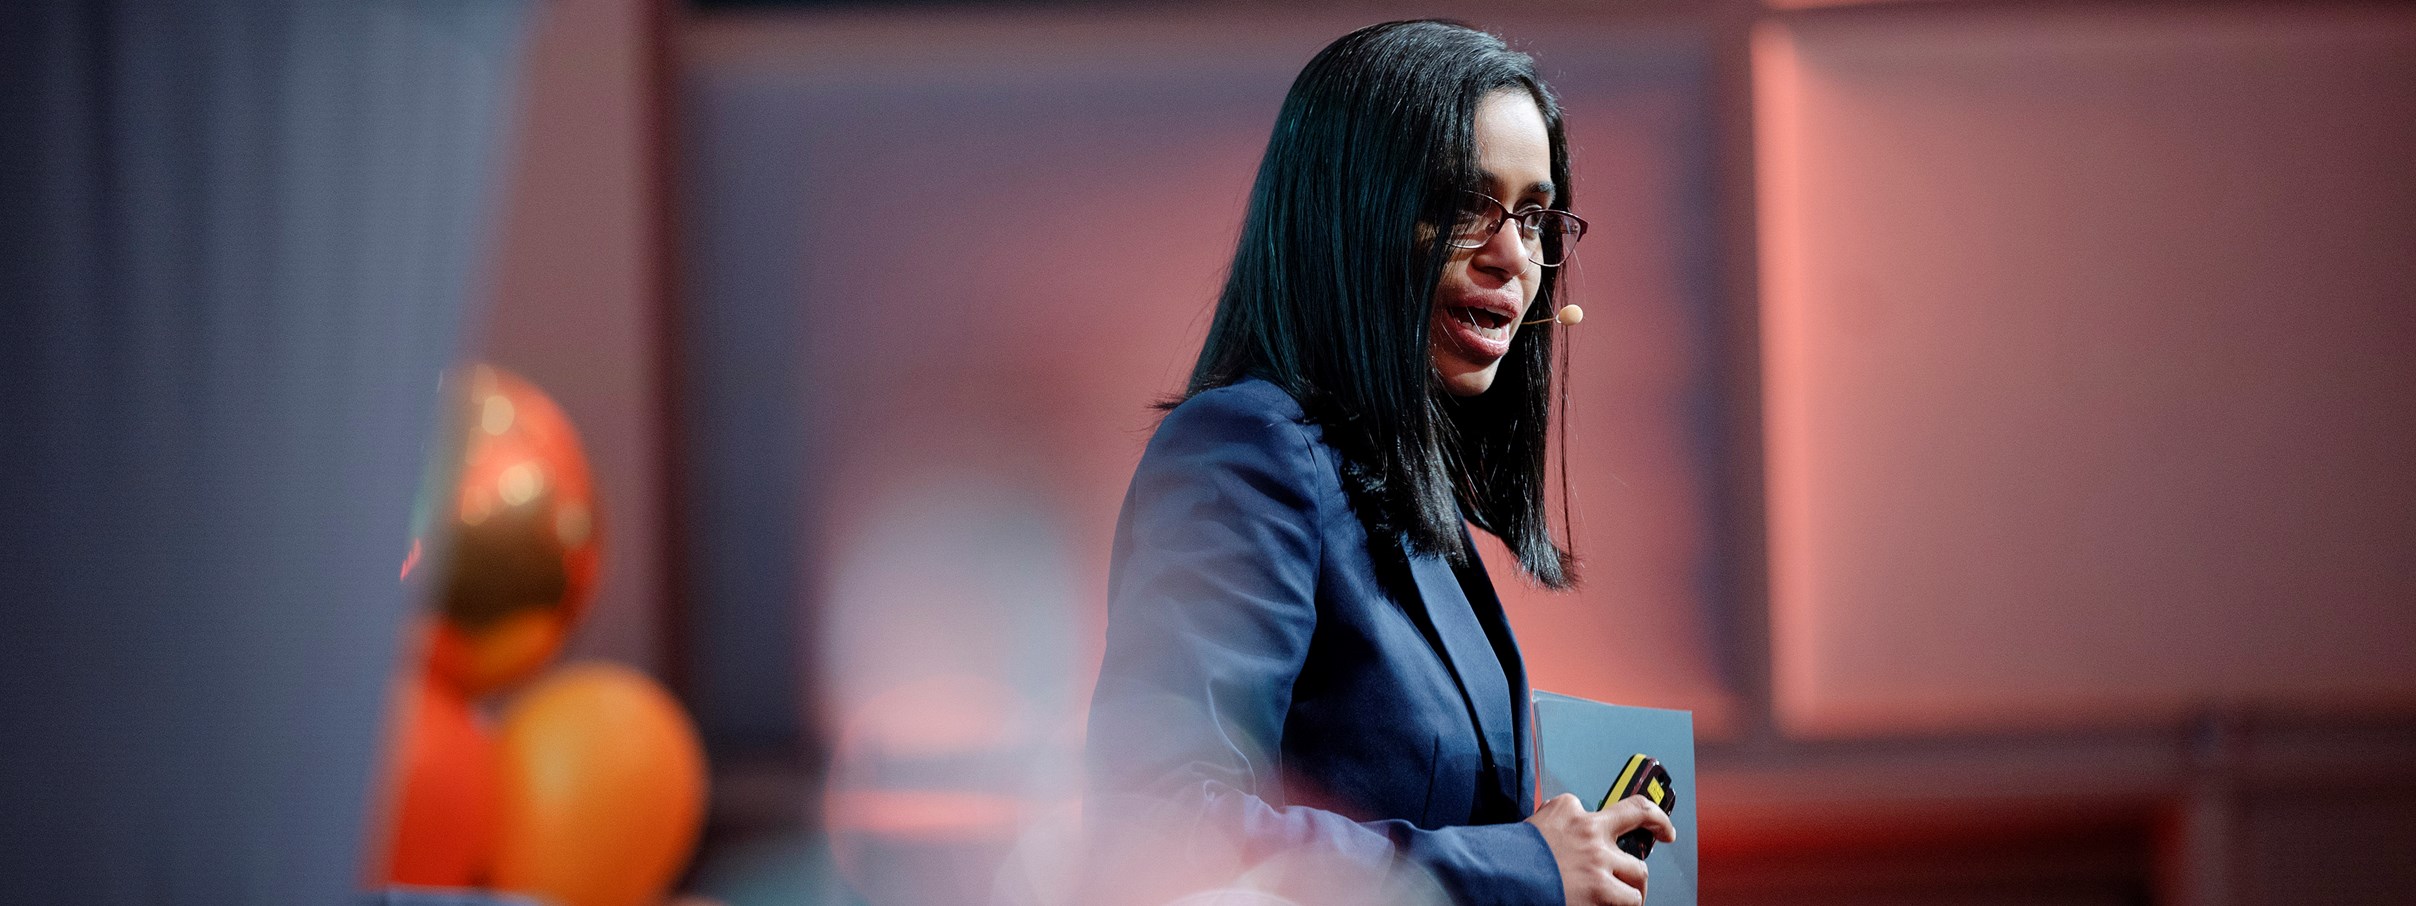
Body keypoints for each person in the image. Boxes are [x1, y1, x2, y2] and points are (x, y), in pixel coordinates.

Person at [1082, 19, 1675, 906]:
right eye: (1466, 203)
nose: (1515, 256)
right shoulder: (1243, 453)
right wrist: (1523, 866)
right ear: (1350, 215)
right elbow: (1159, 825)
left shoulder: (1408, 499)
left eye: (1535, 216)